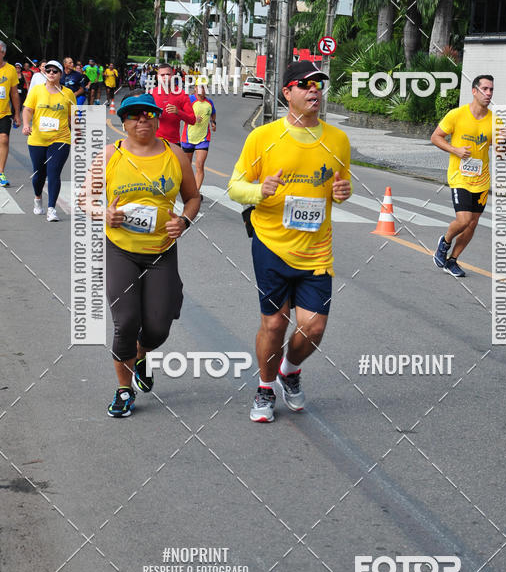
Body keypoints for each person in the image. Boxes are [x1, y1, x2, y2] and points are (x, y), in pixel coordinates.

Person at [228, 60, 352, 423]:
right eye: (305, 84)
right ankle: (265, 388)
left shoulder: (337, 140)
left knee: (314, 326)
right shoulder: (263, 137)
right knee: (274, 324)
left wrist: (344, 192)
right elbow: (235, 187)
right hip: (271, 244)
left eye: (319, 85)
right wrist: (259, 190)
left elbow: (340, 187)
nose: (314, 90)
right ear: (288, 93)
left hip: (316, 248)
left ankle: (290, 369)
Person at [80, 93, 200, 418]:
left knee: (158, 326)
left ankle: (143, 352)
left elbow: (192, 197)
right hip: (121, 250)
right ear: (123, 122)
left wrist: (184, 220)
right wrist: (102, 212)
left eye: (148, 113)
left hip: (161, 251)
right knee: (126, 321)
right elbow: (84, 199)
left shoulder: (175, 155)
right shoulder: (109, 156)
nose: (141, 119)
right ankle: (124, 389)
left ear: (158, 119)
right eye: (133, 115)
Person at [430, 74, 496, 278]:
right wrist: (455, 150)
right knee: (464, 219)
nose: (489, 93)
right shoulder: (456, 115)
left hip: (482, 179)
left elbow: (499, 145)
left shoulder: (495, 120)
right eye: (485, 89)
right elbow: (435, 137)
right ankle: (445, 241)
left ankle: (453, 260)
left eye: (491, 89)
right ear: (474, 91)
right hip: (460, 177)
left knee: (473, 223)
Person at [22, 59, 76, 221]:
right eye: (48, 71)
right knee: (39, 174)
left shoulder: (68, 93)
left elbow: (73, 117)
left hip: (61, 139)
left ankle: (52, 208)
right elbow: (28, 110)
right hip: (37, 138)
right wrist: (26, 125)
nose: (51, 73)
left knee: (54, 172)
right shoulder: (37, 90)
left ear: (60, 74)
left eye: (55, 71)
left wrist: (78, 134)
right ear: (44, 73)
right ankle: (38, 199)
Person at [181, 79, 216, 197]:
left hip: (203, 138)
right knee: (187, 166)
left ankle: (195, 193)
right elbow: (181, 114)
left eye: (206, 87)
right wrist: (193, 119)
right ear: (195, 88)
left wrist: (213, 122)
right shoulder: (189, 100)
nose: (203, 89)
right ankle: (186, 187)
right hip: (188, 137)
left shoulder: (209, 102)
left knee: (199, 165)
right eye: (201, 86)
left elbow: (213, 113)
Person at [150, 63, 195, 147]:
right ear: (157, 77)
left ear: (173, 75)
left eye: (168, 74)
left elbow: (192, 120)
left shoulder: (182, 94)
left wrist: (178, 112)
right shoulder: (151, 94)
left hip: (173, 143)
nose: (165, 77)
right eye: (162, 75)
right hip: (153, 142)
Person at [0, 41, 21, 187]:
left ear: (3, 53)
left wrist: (17, 114)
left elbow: (14, 93)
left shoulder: (11, 69)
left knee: (4, 139)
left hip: (4, 113)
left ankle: (1, 172)